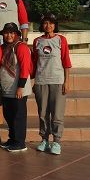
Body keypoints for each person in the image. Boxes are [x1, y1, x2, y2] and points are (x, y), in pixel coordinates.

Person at [32, 14, 72, 155]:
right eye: (45, 23)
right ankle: (44, 139)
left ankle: (56, 141)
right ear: (42, 25)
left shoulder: (61, 40)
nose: (48, 26)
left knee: (57, 114)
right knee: (43, 113)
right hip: (41, 81)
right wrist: (33, 81)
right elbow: (34, 63)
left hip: (57, 81)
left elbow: (66, 62)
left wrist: (67, 81)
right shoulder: (37, 41)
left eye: (51, 23)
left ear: (55, 25)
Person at [0, 22, 33, 152]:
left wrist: (20, 87)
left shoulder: (21, 47)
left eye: (12, 33)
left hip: (18, 88)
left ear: (16, 34)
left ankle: (20, 142)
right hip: (7, 88)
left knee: (18, 115)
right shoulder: (3, 48)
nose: (9, 35)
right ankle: (12, 138)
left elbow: (24, 68)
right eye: (6, 33)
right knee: (9, 115)